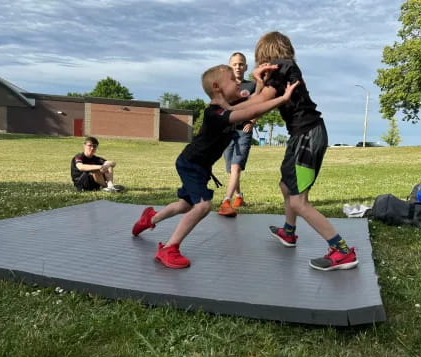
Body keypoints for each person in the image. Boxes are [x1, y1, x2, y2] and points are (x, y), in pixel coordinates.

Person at [131, 64, 299, 269]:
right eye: (232, 79)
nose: (238, 82)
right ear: (217, 87)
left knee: (185, 205)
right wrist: (282, 99)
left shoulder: (229, 107)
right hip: (190, 163)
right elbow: (252, 109)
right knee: (202, 206)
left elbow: (254, 100)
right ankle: (169, 248)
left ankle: (150, 218)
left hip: (200, 167)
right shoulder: (214, 113)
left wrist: (260, 82)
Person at [252, 31, 358, 271]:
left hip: (308, 136)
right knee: (286, 186)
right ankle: (289, 233)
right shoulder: (284, 70)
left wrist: (230, 108)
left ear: (266, 53)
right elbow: (260, 104)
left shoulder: (282, 68)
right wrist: (260, 85)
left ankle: (342, 251)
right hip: (301, 135)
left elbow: (256, 106)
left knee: (299, 201)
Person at [218, 52, 257, 217]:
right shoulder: (225, 86)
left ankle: (226, 201)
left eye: (241, 64)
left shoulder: (252, 86)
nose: (238, 67)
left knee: (236, 166)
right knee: (231, 168)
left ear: (246, 67)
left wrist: (252, 121)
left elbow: (259, 105)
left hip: (243, 131)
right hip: (227, 130)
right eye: (234, 64)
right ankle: (239, 196)